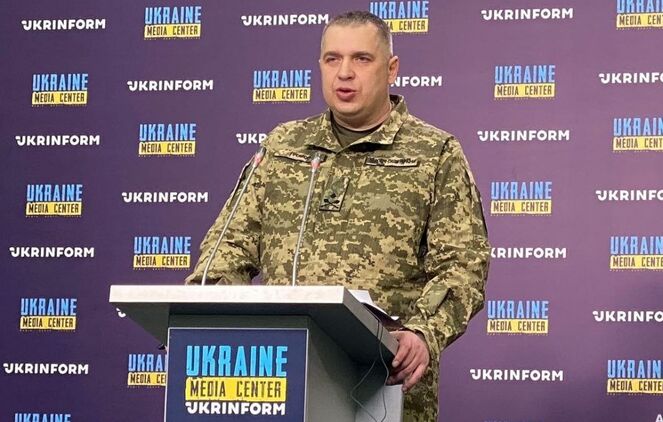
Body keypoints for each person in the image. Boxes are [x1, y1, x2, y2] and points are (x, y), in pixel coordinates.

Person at [186, 10, 489, 421]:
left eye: (361, 59)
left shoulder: (434, 153)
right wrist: (211, 318)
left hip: (383, 384)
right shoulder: (284, 145)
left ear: (391, 69)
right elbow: (228, 247)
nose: (344, 73)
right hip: (279, 380)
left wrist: (422, 332)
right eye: (333, 59)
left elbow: (462, 266)